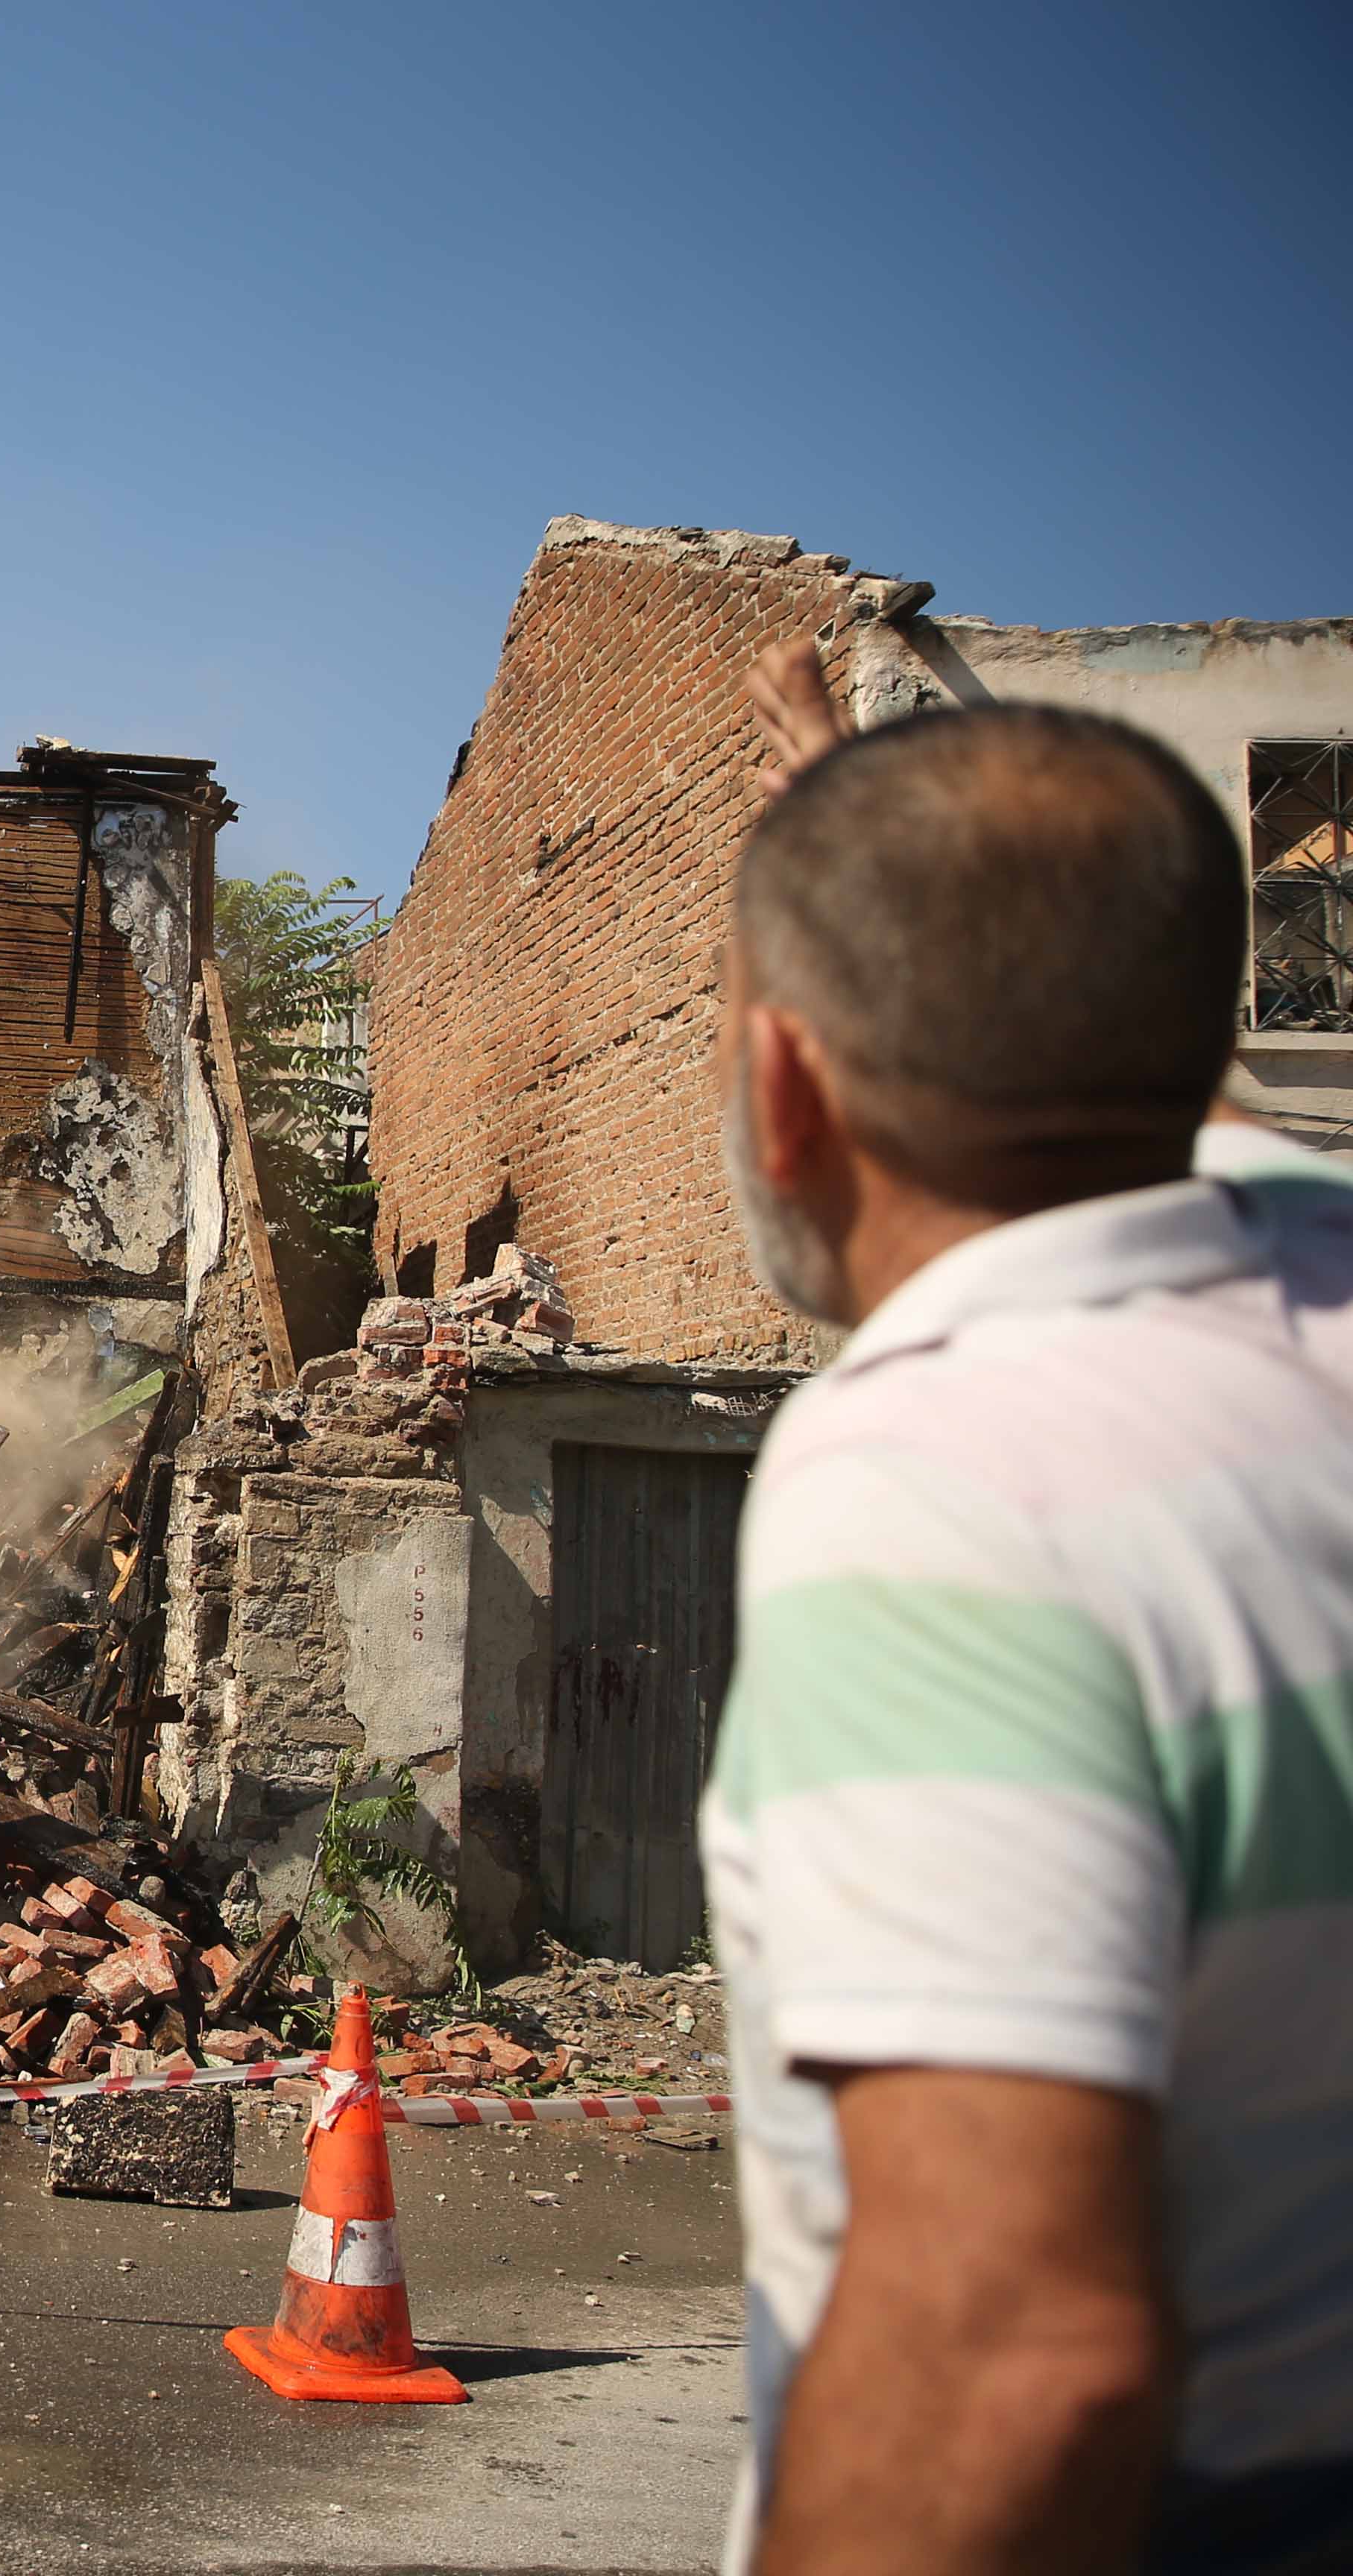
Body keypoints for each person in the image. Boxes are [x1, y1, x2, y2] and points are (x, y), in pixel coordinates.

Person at [710, 653, 1353, 2575]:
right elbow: (1158, 1072)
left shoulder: (946, 1484)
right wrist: (863, 807)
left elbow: (1012, 2361)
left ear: (785, 1082)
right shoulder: (1313, 1262)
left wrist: (831, 874)